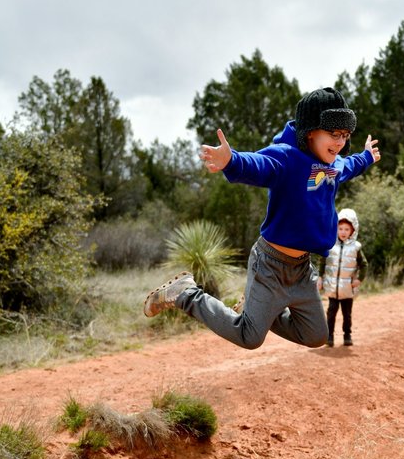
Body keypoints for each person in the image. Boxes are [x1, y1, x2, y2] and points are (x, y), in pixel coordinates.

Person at [144, 87, 380, 350]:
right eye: (334, 134)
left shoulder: (333, 166)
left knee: (316, 335)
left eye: (345, 136)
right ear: (311, 131)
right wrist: (231, 160)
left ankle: (260, 310)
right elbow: (258, 164)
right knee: (250, 337)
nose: (340, 142)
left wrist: (367, 156)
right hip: (270, 265)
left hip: (302, 269)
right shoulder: (286, 158)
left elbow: (351, 165)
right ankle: (186, 294)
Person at [318, 208, 367, 347]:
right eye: (340, 228)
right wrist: (320, 278)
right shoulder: (330, 245)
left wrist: (359, 279)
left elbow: (364, 265)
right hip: (333, 288)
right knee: (331, 313)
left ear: (353, 230)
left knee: (347, 315)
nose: (343, 232)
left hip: (348, 289)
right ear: (336, 228)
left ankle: (347, 335)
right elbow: (322, 262)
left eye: (347, 229)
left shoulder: (356, 248)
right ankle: (329, 337)